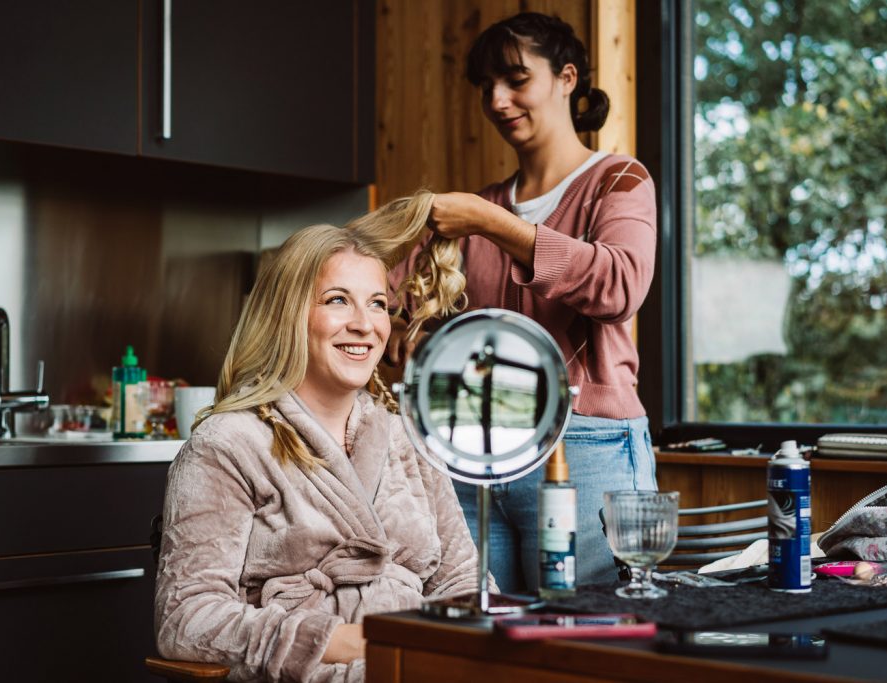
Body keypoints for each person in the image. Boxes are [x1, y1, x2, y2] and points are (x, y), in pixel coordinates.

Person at [154, 195, 480, 683]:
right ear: (289, 315)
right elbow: (186, 619)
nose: (364, 324)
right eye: (337, 300)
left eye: (377, 304)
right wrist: (342, 640)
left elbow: (464, 580)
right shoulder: (228, 444)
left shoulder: (403, 436)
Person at [389, 12, 658, 591]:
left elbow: (619, 286)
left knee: (588, 634)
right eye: (487, 86)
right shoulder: (473, 209)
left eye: (515, 79)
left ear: (567, 77)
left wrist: (493, 224)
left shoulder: (619, 181)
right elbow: (389, 296)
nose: (498, 99)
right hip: (470, 451)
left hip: (586, 446)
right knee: (480, 639)